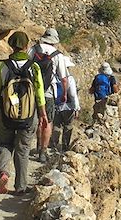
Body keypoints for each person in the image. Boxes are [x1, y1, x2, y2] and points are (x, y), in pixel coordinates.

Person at [0, 31, 48, 195]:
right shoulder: (34, 67)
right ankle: (20, 187)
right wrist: (43, 114)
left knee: (4, 144)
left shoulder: (3, 66)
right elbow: (39, 94)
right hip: (28, 116)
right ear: (26, 46)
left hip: (5, 114)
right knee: (23, 149)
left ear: (11, 46)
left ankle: (3, 173)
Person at [26, 27, 68, 162]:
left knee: (35, 120)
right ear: (55, 41)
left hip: (32, 90)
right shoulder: (58, 55)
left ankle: (37, 145)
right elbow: (64, 78)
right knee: (47, 121)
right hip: (48, 93)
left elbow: (25, 66)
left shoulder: (34, 49)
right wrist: (65, 93)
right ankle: (43, 152)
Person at [50, 55, 80, 151]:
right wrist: (76, 108)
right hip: (68, 106)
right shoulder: (69, 78)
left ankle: (53, 145)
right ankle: (65, 147)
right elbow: (73, 94)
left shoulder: (54, 77)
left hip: (57, 105)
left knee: (56, 126)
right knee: (67, 126)